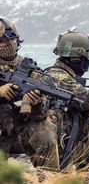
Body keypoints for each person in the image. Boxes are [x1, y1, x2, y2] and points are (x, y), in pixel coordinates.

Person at [39, 28, 89, 170]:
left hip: (66, 136)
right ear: (77, 57)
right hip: (55, 139)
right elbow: (88, 100)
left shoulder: (59, 74)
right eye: (87, 55)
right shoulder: (59, 76)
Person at [0, 17, 57, 168]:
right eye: (2, 41)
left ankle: (50, 178)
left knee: (46, 128)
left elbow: (41, 115)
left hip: (19, 134)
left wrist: (37, 103)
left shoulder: (30, 69)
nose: (8, 44)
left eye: (11, 38)